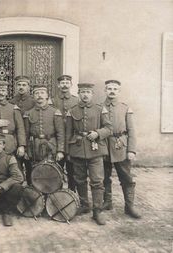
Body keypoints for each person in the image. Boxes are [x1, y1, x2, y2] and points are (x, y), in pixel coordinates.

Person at [66, 83, 112, 225]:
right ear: (79, 93)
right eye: (82, 92)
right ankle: (84, 205)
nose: (85, 95)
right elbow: (68, 132)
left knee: (97, 181)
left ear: (92, 94)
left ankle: (97, 210)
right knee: (79, 179)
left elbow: (109, 128)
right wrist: (68, 152)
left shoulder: (100, 109)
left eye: (88, 92)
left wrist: (97, 133)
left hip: (95, 149)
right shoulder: (72, 110)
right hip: (78, 149)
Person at [102, 80, 141, 218]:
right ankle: (107, 202)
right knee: (103, 176)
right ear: (105, 90)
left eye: (115, 89)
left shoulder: (125, 108)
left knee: (126, 177)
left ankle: (129, 206)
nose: (112, 91)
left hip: (121, 146)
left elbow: (131, 130)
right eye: (109, 88)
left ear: (119, 91)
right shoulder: (99, 107)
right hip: (104, 145)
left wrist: (131, 150)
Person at [23, 84, 65, 184]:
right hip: (35, 147)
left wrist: (60, 150)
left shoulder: (55, 112)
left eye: (42, 93)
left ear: (47, 96)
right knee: (35, 174)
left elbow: (60, 133)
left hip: (51, 146)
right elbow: (26, 134)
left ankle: (51, 198)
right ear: (33, 97)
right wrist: (26, 150)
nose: (39, 95)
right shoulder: (28, 113)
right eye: (36, 93)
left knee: (51, 173)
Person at [51, 74, 78, 192]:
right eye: (62, 83)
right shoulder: (52, 100)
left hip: (72, 138)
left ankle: (72, 193)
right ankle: (57, 193)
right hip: (57, 138)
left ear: (71, 85)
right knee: (57, 168)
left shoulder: (76, 100)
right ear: (58, 85)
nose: (65, 85)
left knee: (73, 169)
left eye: (67, 83)